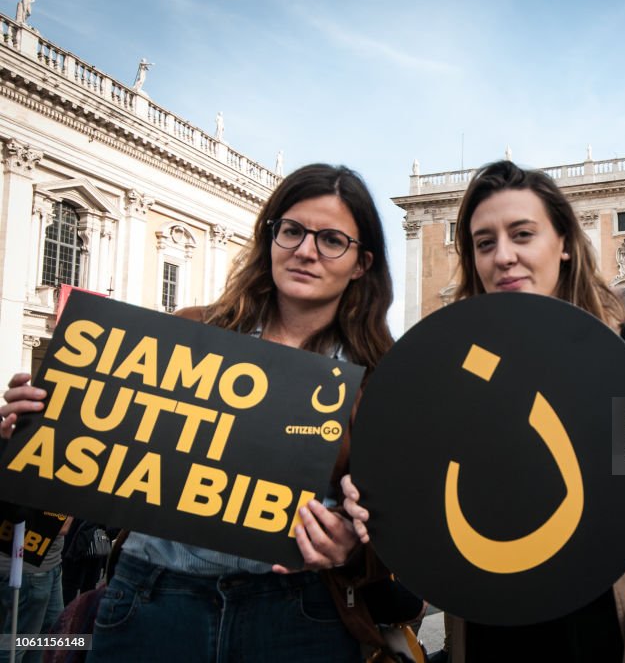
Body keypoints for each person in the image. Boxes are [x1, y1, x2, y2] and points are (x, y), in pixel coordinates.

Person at [343, 160, 625, 663]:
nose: (504, 256)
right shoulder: (453, 370)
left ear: (563, 243)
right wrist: (376, 498)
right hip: (492, 628)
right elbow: (424, 483)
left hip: (615, 630)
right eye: (484, 243)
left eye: (522, 234)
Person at [1, 164, 395, 662]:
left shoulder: (379, 380)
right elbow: (94, 456)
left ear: (361, 264)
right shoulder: (187, 332)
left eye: (332, 239)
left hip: (299, 613)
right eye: (292, 231)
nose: (306, 250)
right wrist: (32, 426)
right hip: (153, 597)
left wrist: (352, 550)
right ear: (270, 238)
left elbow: (398, 524)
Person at [0, 515, 69, 663]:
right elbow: (62, 526)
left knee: (49, 634)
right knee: (16, 644)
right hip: (29, 569)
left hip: (49, 564)